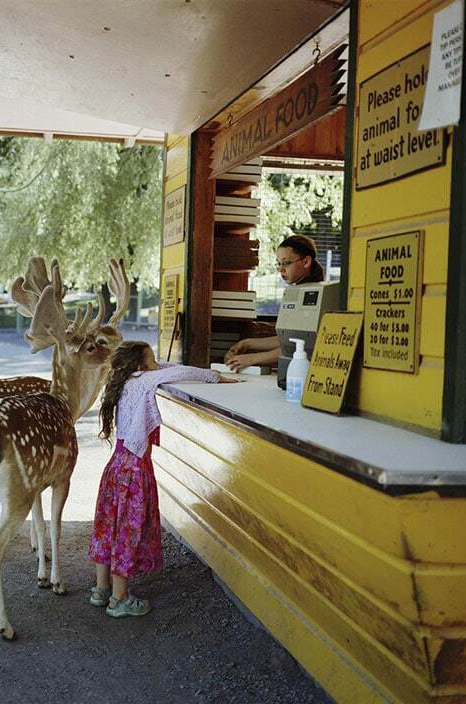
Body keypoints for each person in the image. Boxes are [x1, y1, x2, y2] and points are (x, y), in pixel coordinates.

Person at [88, 340, 237, 618]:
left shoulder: (127, 380)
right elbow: (182, 373)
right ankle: (120, 599)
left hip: (116, 466)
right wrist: (218, 377)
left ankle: (101, 590)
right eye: (152, 359)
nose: (158, 363)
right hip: (134, 470)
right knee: (127, 532)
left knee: (108, 525)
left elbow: (168, 368)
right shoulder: (147, 381)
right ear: (141, 366)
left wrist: (153, 363)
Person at [224, 234, 325, 372]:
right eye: (279, 263)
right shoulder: (297, 291)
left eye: (286, 263)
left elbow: (302, 345)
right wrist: (247, 343)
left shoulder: (314, 294)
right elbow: (289, 340)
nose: (281, 269)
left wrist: (251, 359)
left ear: (306, 262)